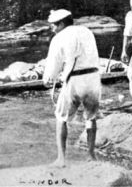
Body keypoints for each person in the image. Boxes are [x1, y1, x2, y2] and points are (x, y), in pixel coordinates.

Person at [43, 9, 101, 166]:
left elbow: (53, 63)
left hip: (74, 80)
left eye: (53, 26)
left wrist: (48, 78)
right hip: (93, 78)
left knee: (61, 118)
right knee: (91, 117)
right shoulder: (86, 31)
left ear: (61, 24)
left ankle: (61, 159)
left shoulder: (59, 37)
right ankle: (91, 156)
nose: (52, 29)